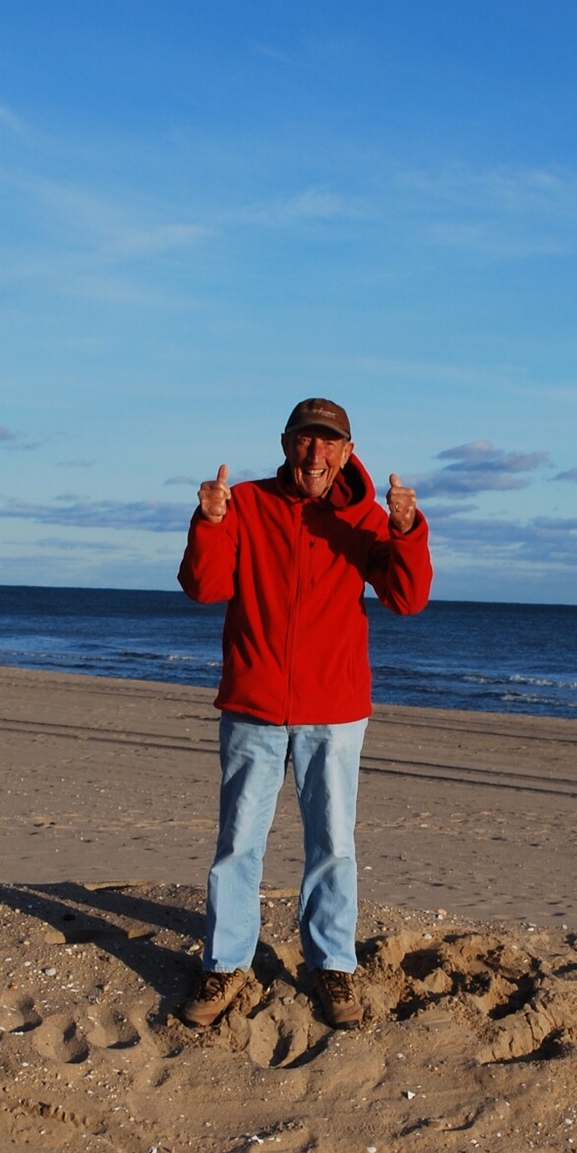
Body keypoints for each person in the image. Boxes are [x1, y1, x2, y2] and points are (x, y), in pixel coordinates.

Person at [176, 396, 433, 1029]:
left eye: (329, 443)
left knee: (334, 844)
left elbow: (408, 598)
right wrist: (209, 521)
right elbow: (204, 587)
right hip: (254, 703)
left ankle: (332, 963)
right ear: (287, 442)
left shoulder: (365, 518)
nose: (316, 454)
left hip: (335, 710)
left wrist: (406, 530)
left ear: (347, 451)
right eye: (305, 440)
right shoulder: (250, 505)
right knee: (238, 844)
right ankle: (227, 964)